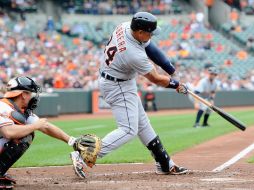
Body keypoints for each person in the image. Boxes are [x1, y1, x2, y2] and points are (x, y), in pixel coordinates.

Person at [70, 12, 191, 178]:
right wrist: (176, 85)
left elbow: (150, 46)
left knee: (142, 124)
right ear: (140, 32)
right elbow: (155, 78)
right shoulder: (133, 53)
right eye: (149, 32)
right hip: (117, 85)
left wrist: (170, 69)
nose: (151, 36)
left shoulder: (126, 26)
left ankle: (165, 163)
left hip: (119, 80)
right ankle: (84, 155)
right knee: (129, 129)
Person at [0, 76, 77, 189]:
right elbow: (8, 132)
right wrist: (34, 126)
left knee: (26, 131)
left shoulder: (19, 109)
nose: (32, 96)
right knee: (24, 134)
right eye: (30, 93)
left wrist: (72, 141)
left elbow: (45, 126)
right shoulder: (3, 106)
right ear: (23, 94)